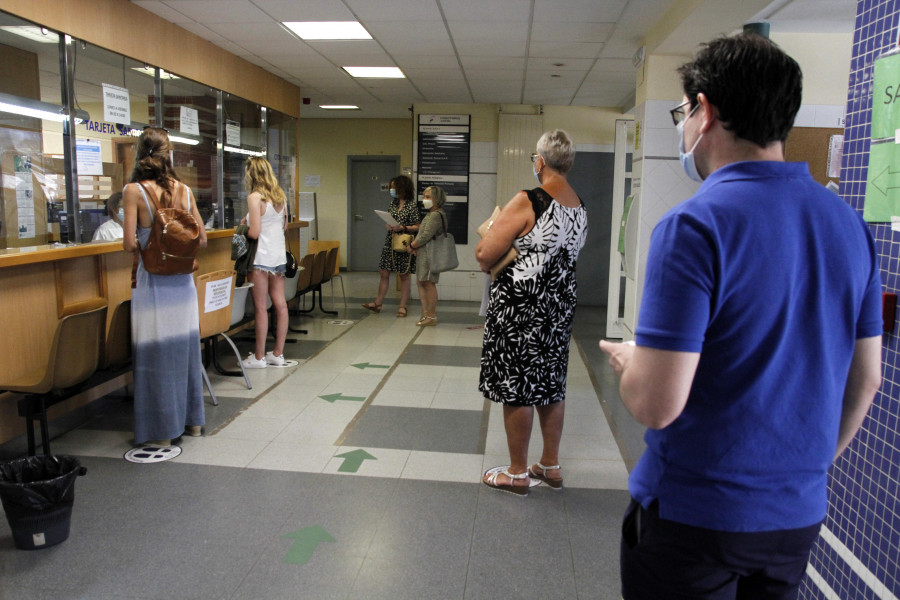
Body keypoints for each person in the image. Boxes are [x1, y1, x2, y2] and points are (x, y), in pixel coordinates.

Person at [598, 33, 882, 600]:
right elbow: (867, 377)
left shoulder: (695, 226)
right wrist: (798, 473)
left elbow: (656, 404)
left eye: (683, 112)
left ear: (704, 112)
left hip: (694, 520)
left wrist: (631, 363)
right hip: (794, 521)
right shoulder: (847, 225)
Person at [477, 129, 587, 496]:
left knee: (517, 387)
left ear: (540, 161)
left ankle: (518, 472)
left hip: (521, 308)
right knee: (551, 384)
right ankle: (550, 466)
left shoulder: (530, 200)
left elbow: (485, 255)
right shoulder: (578, 205)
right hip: (557, 308)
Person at [123, 126, 208, 446]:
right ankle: (193, 423)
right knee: (185, 351)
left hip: (154, 285)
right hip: (183, 284)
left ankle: (162, 433)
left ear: (140, 153)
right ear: (168, 153)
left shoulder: (134, 191)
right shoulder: (184, 191)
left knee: (155, 355)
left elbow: (129, 246)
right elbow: (201, 236)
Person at [240, 156, 290, 369]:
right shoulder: (280, 197)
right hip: (278, 258)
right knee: (280, 304)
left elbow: (254, 232)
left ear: (251, 175)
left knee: (261, 308)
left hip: (260, 258)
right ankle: (277, 353)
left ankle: (259, 357)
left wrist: (244, 227)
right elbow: (284, 226)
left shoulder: (254, 197)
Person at [361, 175, 420, 317]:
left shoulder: (412, 205)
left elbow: (417, 226)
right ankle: (378, 302)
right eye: (391, 186)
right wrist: (389, 224)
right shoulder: (393, 203)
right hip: (390, 242)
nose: (392, 189)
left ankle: (403, 306)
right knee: (384, 272)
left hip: (404, 243)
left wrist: (402, 227)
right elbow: (390, 219)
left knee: (404, 275)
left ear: (402, 187)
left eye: (394, 187)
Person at [408, 185, 447, 326]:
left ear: (437, 199)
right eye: (424, 196)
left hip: (430, 255)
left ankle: (431, 315)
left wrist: (412, 245)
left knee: (429, 283)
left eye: (428, 197)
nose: (425, 200)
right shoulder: (431, 214)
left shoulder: (436, 215)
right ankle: (425, 313)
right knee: (421, 281)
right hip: (424, 253)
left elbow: (425, 236)